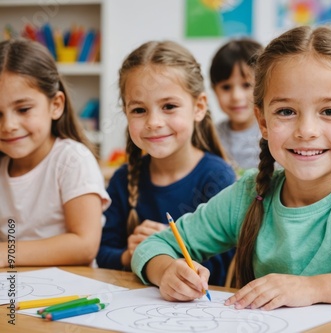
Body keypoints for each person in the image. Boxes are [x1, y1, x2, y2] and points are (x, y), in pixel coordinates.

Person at [131, 26, 331, 309]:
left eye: (329, 111)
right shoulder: (249, 194)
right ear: (262, 121)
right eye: (285, 111)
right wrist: (166, 271)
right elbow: (155, 245)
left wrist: (313, 288)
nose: (306, 130)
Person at [96, 40, 236, 287]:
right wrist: (130, 255)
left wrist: (168, 246)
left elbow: (227, 268)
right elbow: (102, 253)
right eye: (139, 110)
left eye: (169, 106)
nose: (154, 122)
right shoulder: (123, 179)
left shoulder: (218, 178)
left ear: (199, 107)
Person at [0, 39, 110, 267]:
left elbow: (85, 246)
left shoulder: (72, 160)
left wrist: (6, 253)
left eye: (23, 109)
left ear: (56, 105)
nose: (8, 125)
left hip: (69, 293)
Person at [210, 38, 263, 172]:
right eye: (226, 87)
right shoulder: (212, 136)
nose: (236, 96)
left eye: (246, 85)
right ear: (214, 90)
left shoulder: (274, 134)